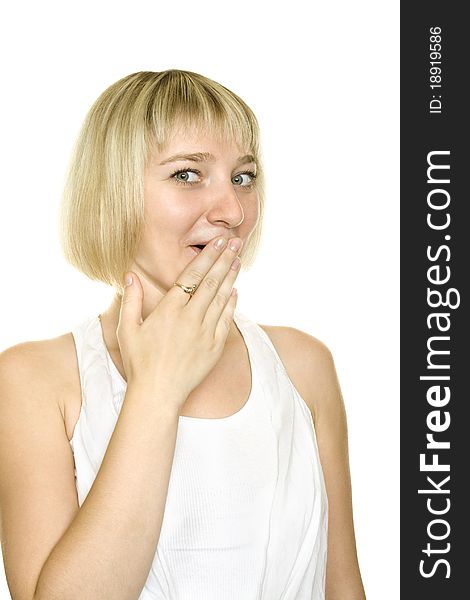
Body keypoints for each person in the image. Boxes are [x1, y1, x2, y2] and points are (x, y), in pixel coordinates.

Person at [0, 70, 365, 599]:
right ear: (112, 190)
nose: (233, 212)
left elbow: (343, 588)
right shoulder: (33, 381)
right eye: (189, 175)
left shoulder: (304, 368)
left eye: (243, 177)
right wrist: (157, 388)